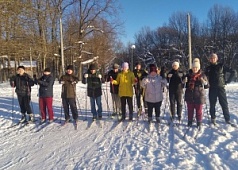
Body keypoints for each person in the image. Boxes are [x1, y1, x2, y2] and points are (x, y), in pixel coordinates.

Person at [205, 53, 236, 125]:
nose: (212, 59)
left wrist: (227, 81)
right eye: (211, 58)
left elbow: (233, 71)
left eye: (214, 58)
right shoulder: (208, 68)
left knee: (224, 104)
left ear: (217, 59)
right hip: (212, 88)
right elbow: (203, 77)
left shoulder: (221, 66)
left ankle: (227, 119)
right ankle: (213, 118)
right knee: (212, 104)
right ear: (209, 59)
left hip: (221, 88)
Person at [184, 58, 209, 129]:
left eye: (196, 67)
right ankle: (190, 121)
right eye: (194, 67)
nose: (195, 69)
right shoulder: (188, 75)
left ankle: (199, 122)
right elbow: (183, 86)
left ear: (199, 68)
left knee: (199, 110)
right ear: (192, 68)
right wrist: (184, 81)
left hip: (199, 95)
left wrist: (204, 82)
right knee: (190, 110)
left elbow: (207, 86)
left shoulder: (202, 75)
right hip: (189, 95)